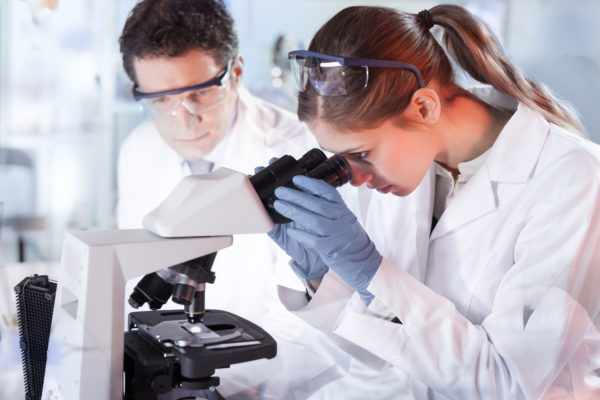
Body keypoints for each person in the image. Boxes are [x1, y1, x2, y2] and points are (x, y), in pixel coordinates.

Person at [270, 5, 600, 398]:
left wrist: (371, 272)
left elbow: (509, 383)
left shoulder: (571, 180)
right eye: (341, 160)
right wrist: (322, 274)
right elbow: (388, 350)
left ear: (424, 107)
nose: (353, 177)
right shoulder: (408, 168)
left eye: (360, 154)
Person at [116, 1, 412, 398]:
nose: (183, 119)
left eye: (200, 94)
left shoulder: (301, 149)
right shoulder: (138, 150)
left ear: (234, 73)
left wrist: (221, 388)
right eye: (161, 100)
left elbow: (319, 324)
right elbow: (132, 277)